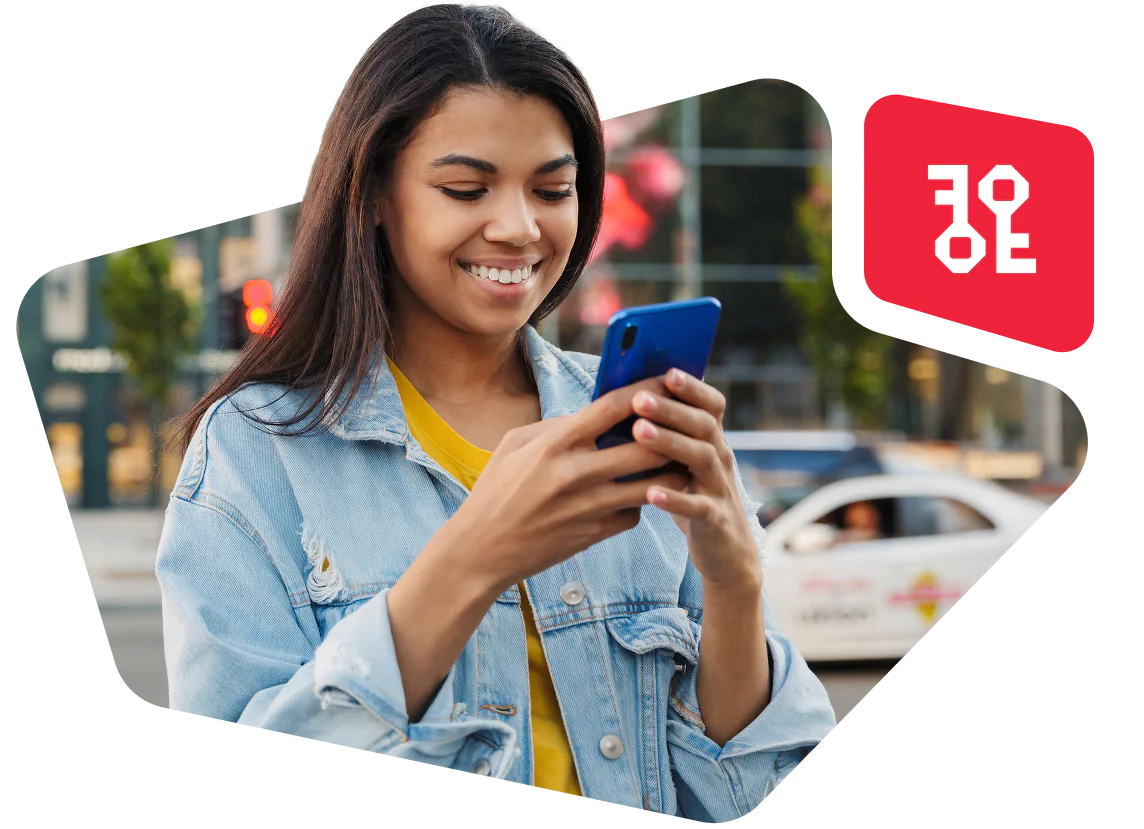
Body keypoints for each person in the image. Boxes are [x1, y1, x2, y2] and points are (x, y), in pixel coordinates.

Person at [156, 3, 837, 820]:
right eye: (465, 188)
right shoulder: (256, 451)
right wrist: (472, 560)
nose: (518, 228)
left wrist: (734, 582)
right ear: (375, 194)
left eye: (552, 189)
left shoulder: (630, 419)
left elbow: (736, 795)